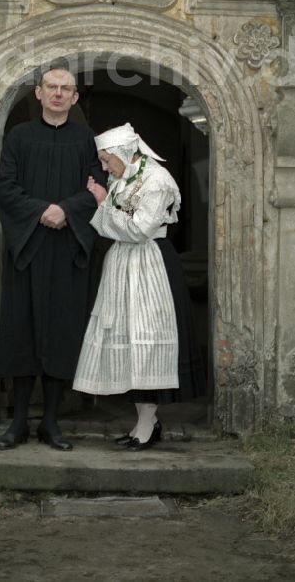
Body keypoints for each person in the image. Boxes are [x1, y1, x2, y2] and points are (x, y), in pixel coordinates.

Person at [0, 63, 105, 451]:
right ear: (37, 93)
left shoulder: (89, 141)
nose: (57, 93)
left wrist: (67, 211)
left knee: (61, 332)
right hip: (28, 250)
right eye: (51, 87)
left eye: (65, 89)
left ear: (74, 98)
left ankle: (52, 422)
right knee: (22, 332)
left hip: (68, 253)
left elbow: (99, 188)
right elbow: (5, 188)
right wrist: (43, 211)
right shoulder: (19, 138)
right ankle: (20, 422)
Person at [73, 123, 206, 449]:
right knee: (127, 343)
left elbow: (140, 230)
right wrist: (107, 203)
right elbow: (116, 226)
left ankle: (148, 424)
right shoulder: (121, 177)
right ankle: (144, 423)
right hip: (122, 265)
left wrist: (105, 204)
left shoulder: (157, 181)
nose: (104, 167)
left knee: (146, 343)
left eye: (106, 160)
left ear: (123, 152)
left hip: (150, 266)